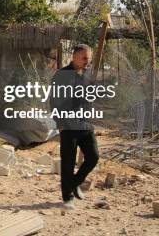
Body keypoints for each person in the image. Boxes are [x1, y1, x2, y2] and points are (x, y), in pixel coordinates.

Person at [50, 44, 100, 210]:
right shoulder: (62, 75)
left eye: (89, 58)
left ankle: (75, 182)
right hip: (68, 126)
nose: (88, 61)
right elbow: (54, 101)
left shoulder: (88, 74)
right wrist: (60, 124)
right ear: (74, 57)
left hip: (85, 124)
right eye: (84, 58)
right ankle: (67, 196)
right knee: (68, 162)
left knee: (93, 157)